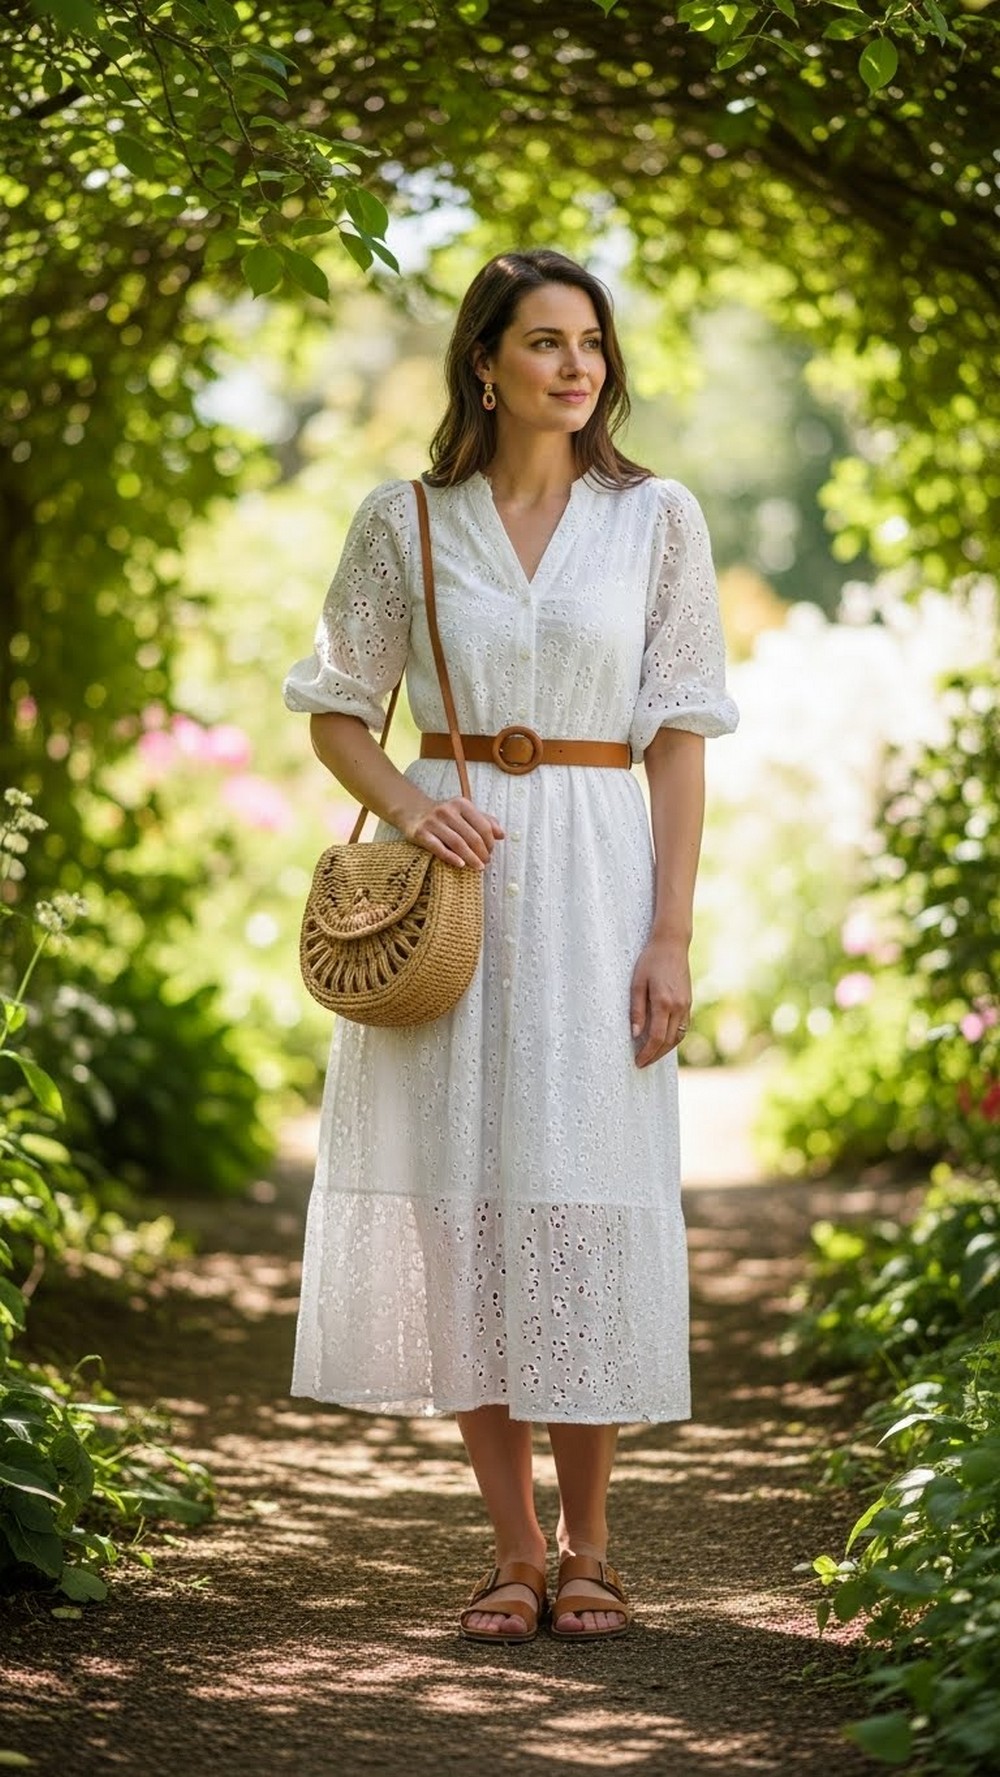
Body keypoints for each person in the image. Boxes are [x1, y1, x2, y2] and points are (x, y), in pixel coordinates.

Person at [283, 247, 739, 1643]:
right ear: (484, 363)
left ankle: (598, 1541)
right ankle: (512, 1546)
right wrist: (417, 803)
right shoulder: (403, 519)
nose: (576, 365)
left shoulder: (657, 519)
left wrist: (669, 931)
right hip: (457, 894)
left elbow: (679, 740)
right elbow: (335, 705)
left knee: (584, 1197)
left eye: (590, 342)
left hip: (604, 882)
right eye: (543, 341)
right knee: (459, 1207)